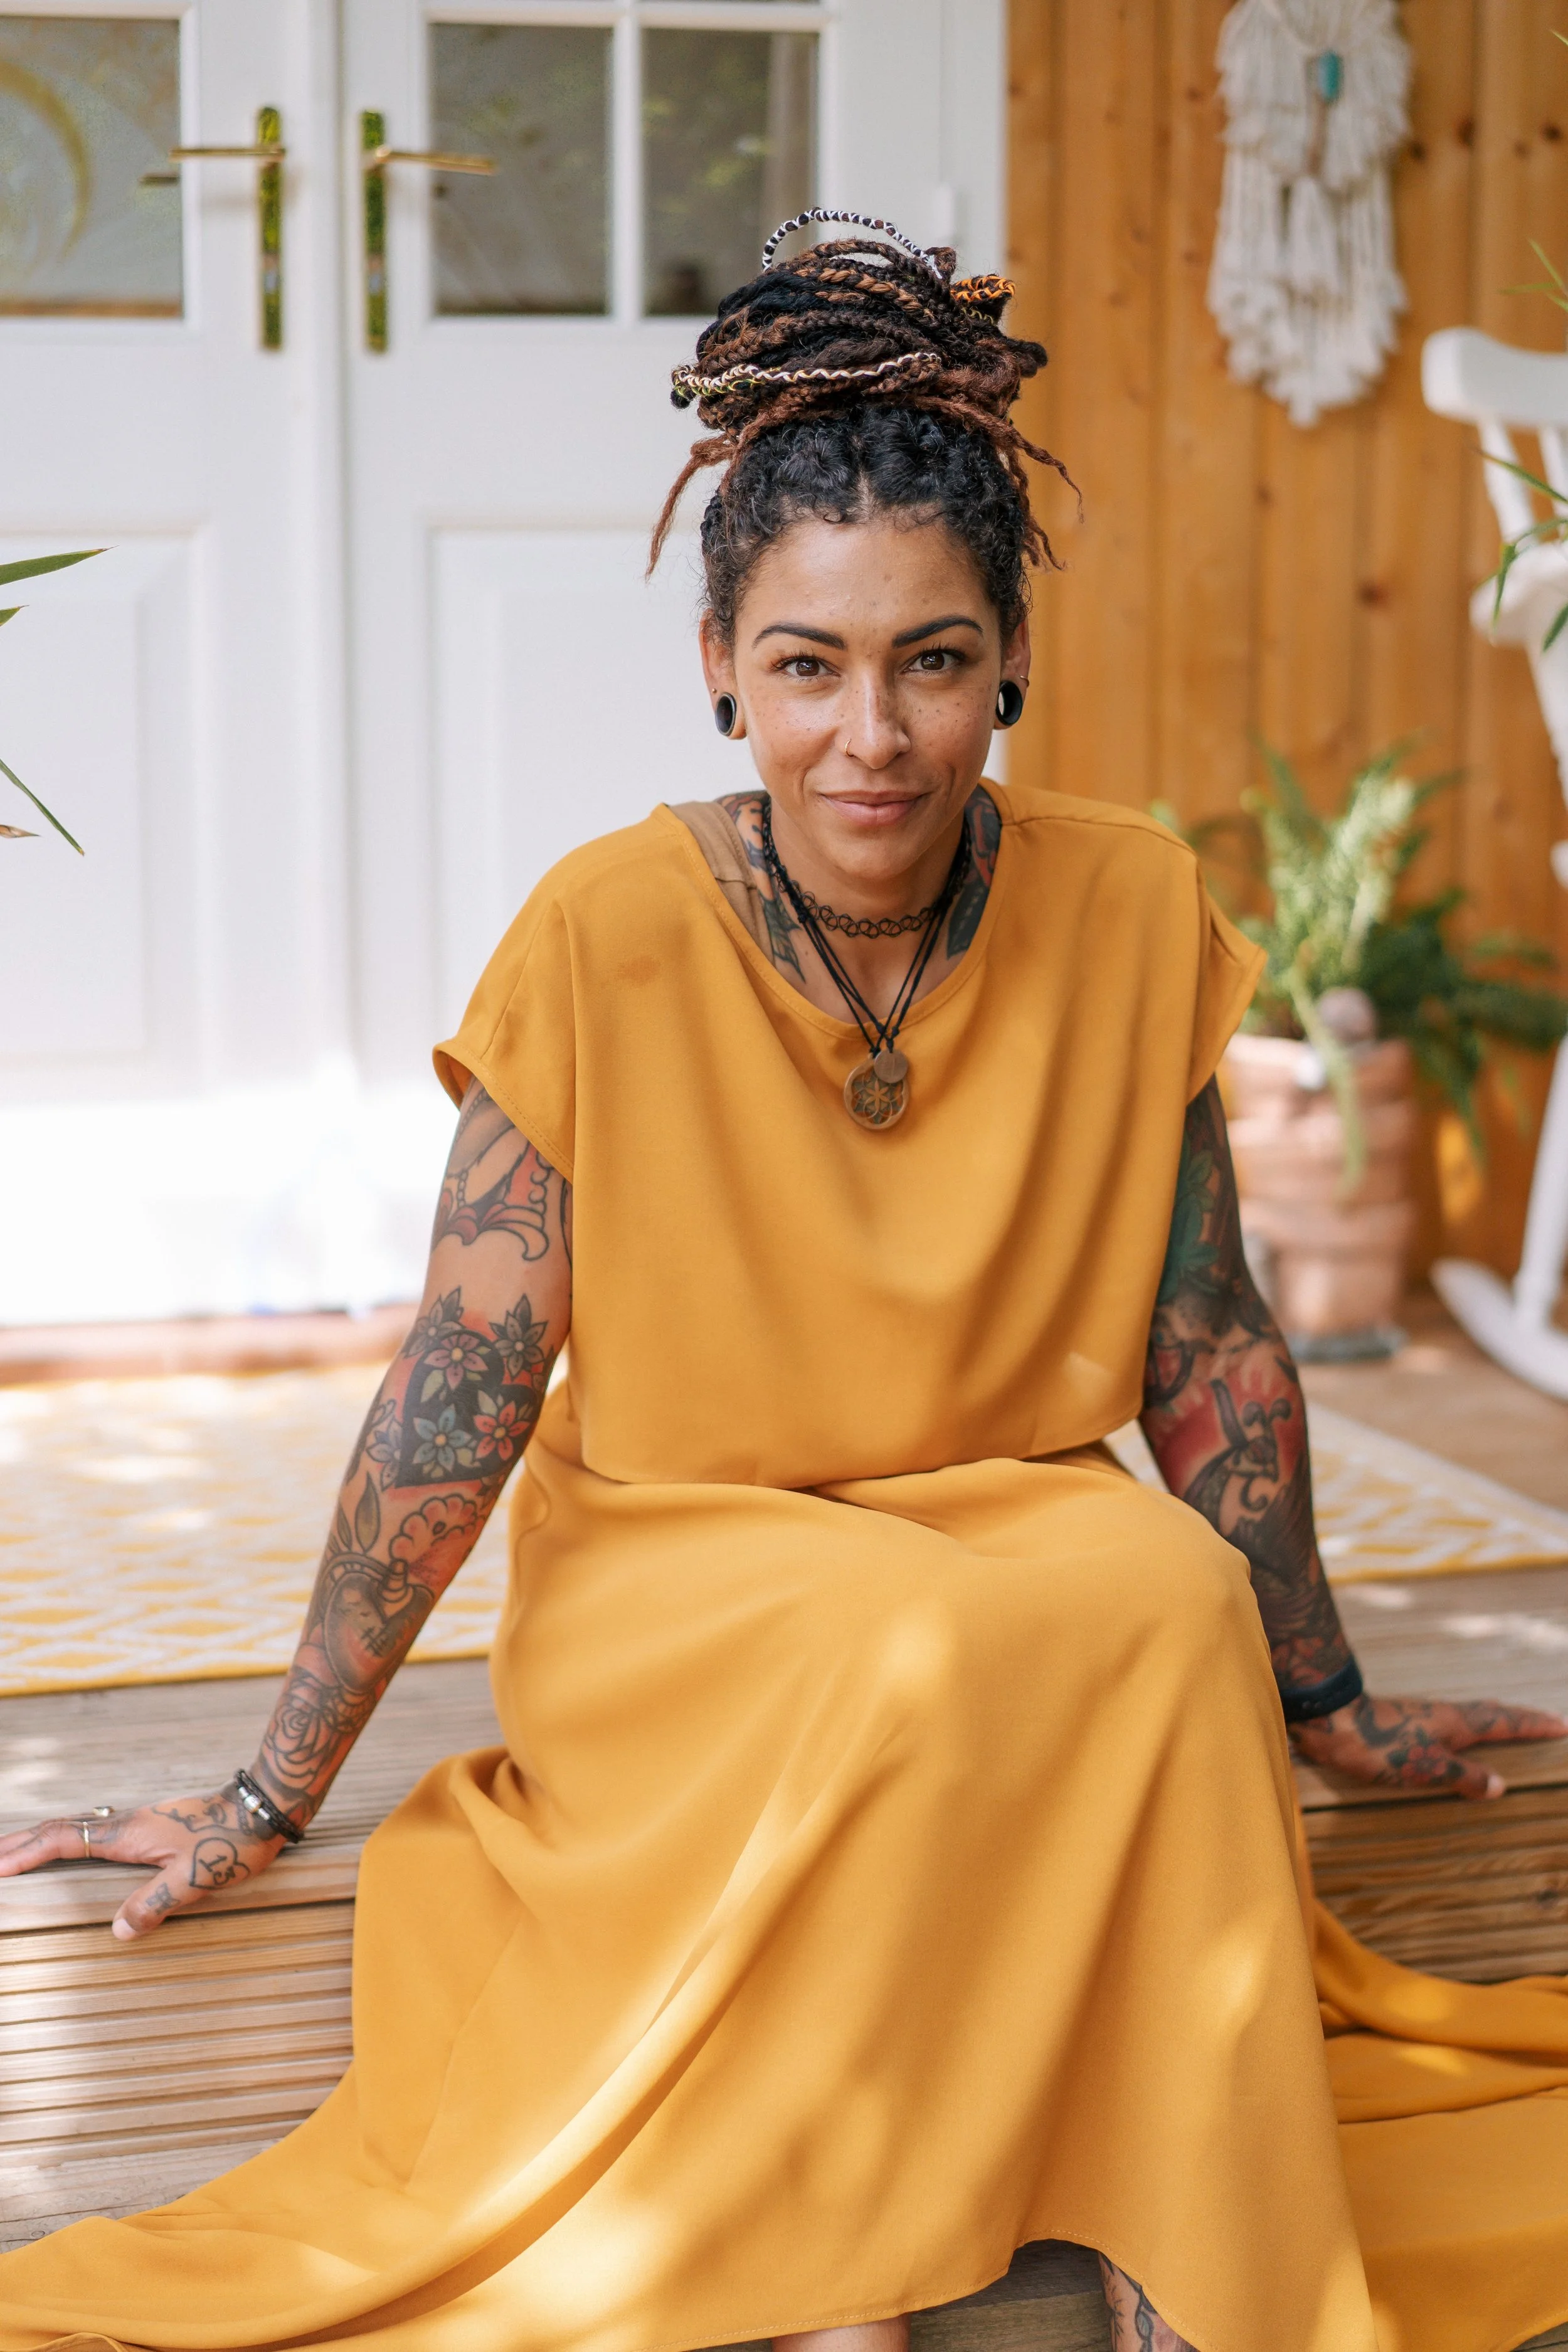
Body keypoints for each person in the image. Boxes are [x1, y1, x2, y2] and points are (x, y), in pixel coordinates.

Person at [2, 210, 1567, 2352]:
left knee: (1162, 1595)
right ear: (721, 668)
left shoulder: (1129, 905)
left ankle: (1183, 2245)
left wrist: (1329, 1695)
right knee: (898, 1639)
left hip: (1000, 1510)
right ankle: (840, 2269)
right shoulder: (606, 929)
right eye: (809, 664)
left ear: (1009, 662)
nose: (872, 734)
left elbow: (1209, 1342)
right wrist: (273, 1783)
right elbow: (459, 1386)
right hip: (683, 1561)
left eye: (931, 658)